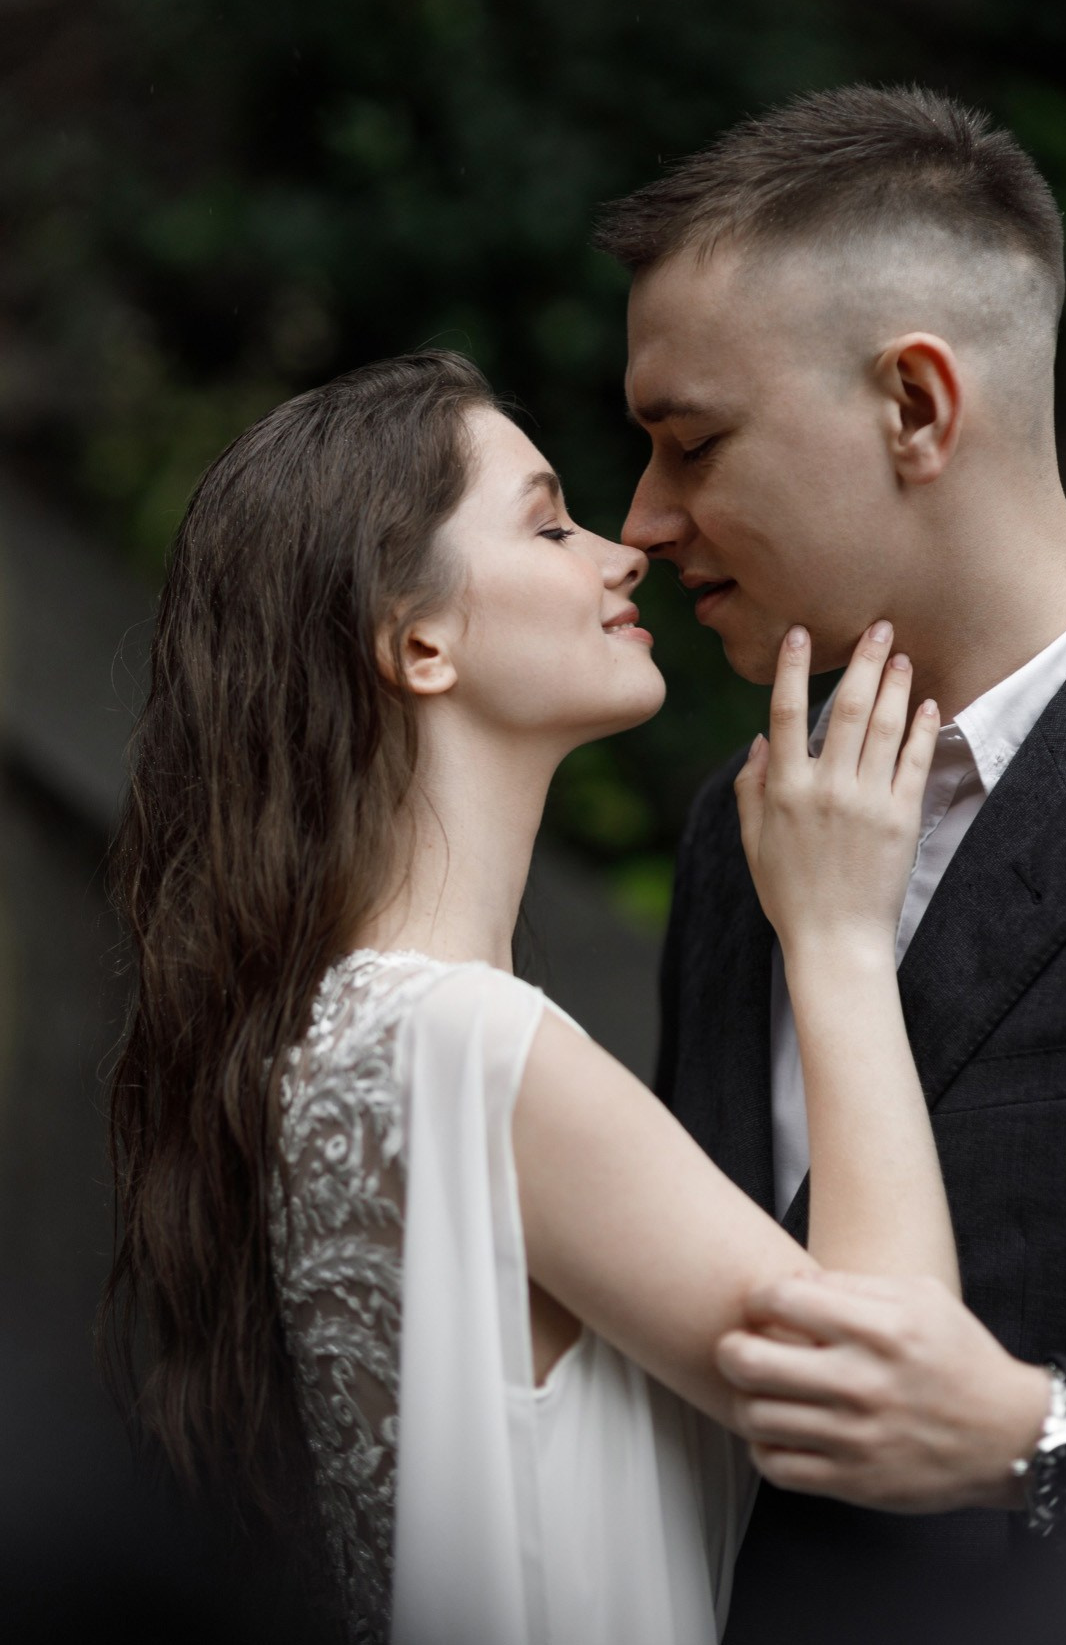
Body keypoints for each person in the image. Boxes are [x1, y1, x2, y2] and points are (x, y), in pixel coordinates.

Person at [101, 351, 965, 1645]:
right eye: (550, 521)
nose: (621, 553)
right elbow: (899, 1392)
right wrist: (838, 937)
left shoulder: (326, 1040)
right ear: (421, 639)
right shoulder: (473, 1046)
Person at [599, 83, 1066, 1638]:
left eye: (692, 443)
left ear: (918, 409)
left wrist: (1034, 1432)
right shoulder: (743, 827)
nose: (644, 520)